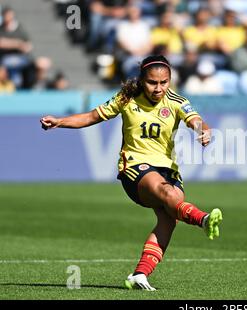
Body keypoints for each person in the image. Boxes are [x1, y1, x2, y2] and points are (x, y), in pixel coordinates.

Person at [40, 55, 223, 291]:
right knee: (168, 193)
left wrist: (203, 131)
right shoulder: (126, 98)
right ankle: (203, 220)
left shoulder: (177, 101)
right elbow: (92, 116)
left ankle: (140, 274)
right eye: (152, 83)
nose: (158, 88)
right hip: (135, 168)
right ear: (142, 80)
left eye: (164, 82)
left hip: (167, 169)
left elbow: (196, 120)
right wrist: (60, 122)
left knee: (169, 220)